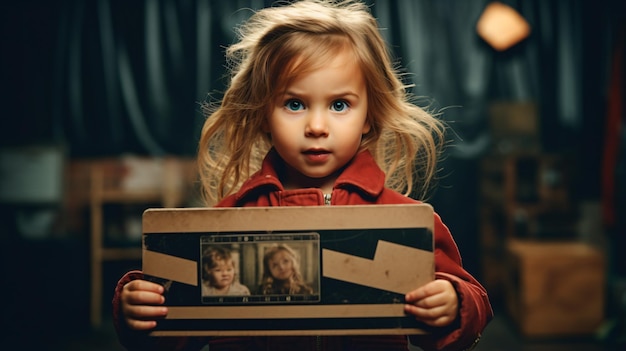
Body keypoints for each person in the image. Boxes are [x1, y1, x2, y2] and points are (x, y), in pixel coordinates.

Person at [112, 0, 493, 350]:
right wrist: (139, 309)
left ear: (369, 117)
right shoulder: (229, 220)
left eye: (339, 104)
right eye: (294, 103)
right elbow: (176, 327)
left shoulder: (405, 222)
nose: (316, 126)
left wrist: (453, 302)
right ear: (264, 113)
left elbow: (470, 311)